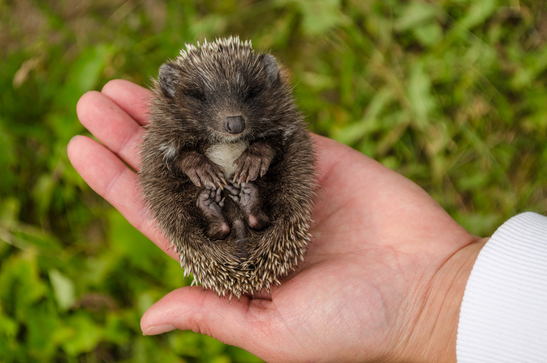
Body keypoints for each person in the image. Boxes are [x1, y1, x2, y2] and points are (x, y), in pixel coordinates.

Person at [67, 79, 547, 363]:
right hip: (209, 209)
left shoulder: (274, 126)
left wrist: (435, 307)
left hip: (264, 215)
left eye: (247, 101)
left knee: (279, 167)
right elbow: (163, 171)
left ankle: (250, 208)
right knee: (176, 187)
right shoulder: (172, 133)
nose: (233, 120)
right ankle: (225, 212)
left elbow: (288, 153)